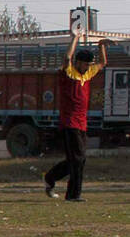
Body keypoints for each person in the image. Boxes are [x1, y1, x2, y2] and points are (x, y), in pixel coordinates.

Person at [44, 34, 109, 202]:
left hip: (81, 124)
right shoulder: (69, 73)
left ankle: (50, 177)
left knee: (76, 160)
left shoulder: (86, 75)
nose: (88, 67)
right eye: (86, 64)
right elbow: (67, 58)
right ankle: (73, 195)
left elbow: (103, 63)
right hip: (69, 122)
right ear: (78, 62)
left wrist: (101, 45)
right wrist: (75, 37)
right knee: (78, 159)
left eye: (89, 64)